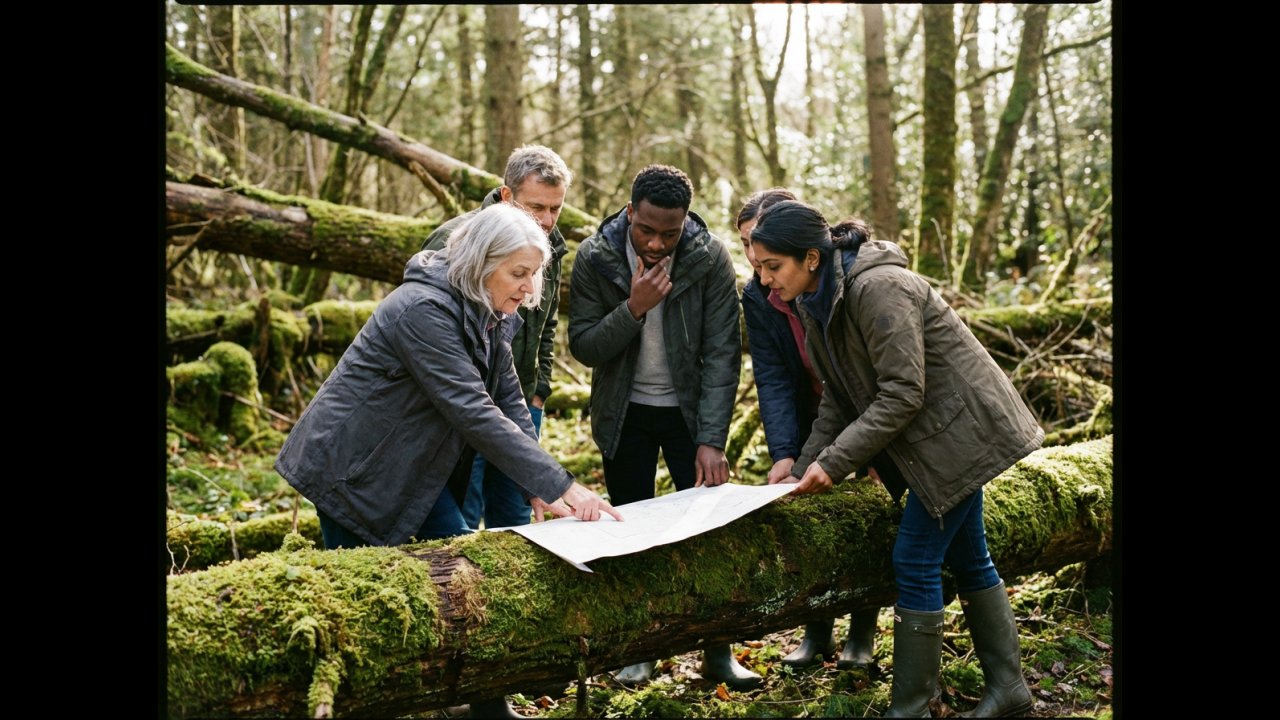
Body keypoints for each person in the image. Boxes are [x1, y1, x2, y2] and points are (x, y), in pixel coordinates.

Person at [277, 203, 622, 719]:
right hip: (354, 469)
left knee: (469, 580)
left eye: (534, 274)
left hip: (415, 468)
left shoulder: (490, 311)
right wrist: (563, 486)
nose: (529, 288)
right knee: (364, 603)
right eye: (519, 273)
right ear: (483, 262)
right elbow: (471, 408)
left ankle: (488, 707)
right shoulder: (421, 309)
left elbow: (509, 400)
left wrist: (538, 485)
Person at [750, 200, 1042, 717]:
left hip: (958, 436)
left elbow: (903, 392)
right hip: (933, 439)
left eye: (773, 266)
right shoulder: (815, 301)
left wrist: (832, 464)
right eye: (759, 268)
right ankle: (1009, 690)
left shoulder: (878, 288)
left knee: (914, 559)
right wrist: (798, 468)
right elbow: (839, 399)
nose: (766, 281)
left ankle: (911, 707)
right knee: (970, 557)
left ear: (811, 258)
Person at [567, 164, 760, 691]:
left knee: (708, 535)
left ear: (685, 223)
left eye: (668, 234)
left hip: (689, 416)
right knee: (630, 537)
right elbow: (584, 346)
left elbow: (723, 351)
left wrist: (711, 438)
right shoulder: (596, 257)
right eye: (646, 230)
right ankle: (640, 652)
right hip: (623, 413)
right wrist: (634, 308)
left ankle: (717, 652)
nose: (656, 244)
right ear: (630, 212)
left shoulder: (708, 257)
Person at [735, 189, 883, 671]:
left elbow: (884, 378)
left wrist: (873, 453)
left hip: (866, 407)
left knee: (868, 518)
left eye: (762, 248)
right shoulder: (758, 294)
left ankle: (862, 633)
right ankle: (816, 631)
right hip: (811, 413)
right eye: (746, 247)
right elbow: (773, 375)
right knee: (808, 518)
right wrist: (785, 451)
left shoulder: (838, 279)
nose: (754, 260)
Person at [421, 144, 572, 531]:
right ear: (507, 195)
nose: (547, 220)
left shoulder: (552, 245)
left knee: (519, 512)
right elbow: (432, 330)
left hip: (520, 400)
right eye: (536, 207)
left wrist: (539, 390)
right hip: (465, 406)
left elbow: (546, 323)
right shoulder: (456, 240)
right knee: (464, 515)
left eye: (555, 208)